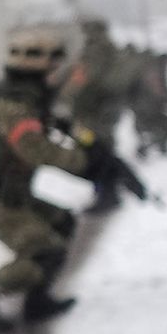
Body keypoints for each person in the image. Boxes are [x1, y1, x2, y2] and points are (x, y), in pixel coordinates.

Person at [0, 28, 112, 330]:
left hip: (8, 191)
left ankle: (37, 302)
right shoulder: (13, 103)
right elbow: (34, 149)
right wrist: (83, 162)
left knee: (62, 223)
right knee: (43, 250)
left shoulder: (29, 98)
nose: (57, 72)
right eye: (54, 66)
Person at [56, 16, 135, 212]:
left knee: (97, 152)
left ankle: (108, 195)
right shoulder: (107, 49)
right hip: (103, 110)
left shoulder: (96, 51)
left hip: (96, 112)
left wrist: (70, 94)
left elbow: (87, 80)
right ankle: (109, 191)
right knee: (101, 149)